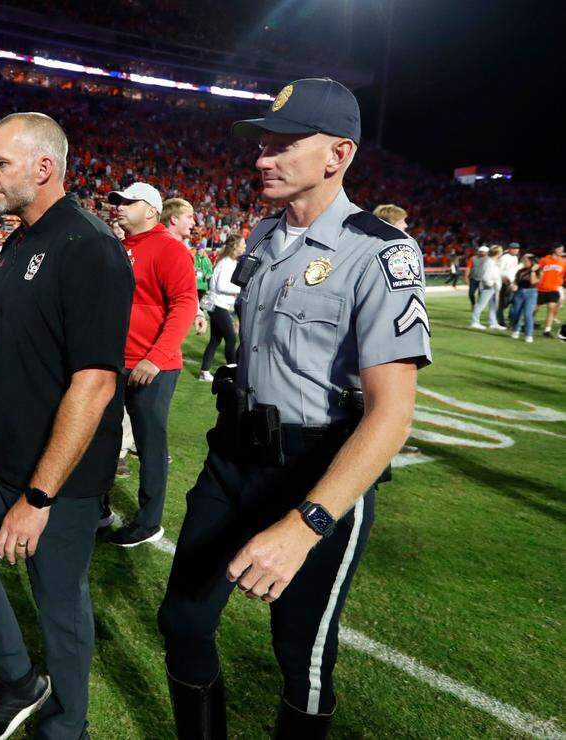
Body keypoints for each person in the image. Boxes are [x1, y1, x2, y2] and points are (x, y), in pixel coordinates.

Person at [160, 78, 431, 739]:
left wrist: (307, 522)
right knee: (184, 620)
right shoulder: (260, 235)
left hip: (315, 472)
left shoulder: (381, 251)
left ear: (337, 155)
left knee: (301, 656)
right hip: (234, 459)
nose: (262, 158)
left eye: (283, 145)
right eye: (261, 145)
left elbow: (392, 415)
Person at [0, 112, 132, 740]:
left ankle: (66, 725)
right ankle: (23, 681)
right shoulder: (20, 239)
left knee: (59, 604)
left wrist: (39, 496)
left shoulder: (90, 247)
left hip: (58, 478)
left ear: (43, 168)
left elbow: (95, 381)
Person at [105, 181, 198, 547]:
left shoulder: (170, 250)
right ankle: (99, 510)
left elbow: (185, 305)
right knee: (104, 441)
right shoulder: (117, 248)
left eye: (128, 202)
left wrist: (156, 358)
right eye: (117, 202)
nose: (119, 206)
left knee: (149, 445)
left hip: (151, 368)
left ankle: (148, 522)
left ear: (151, 210)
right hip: (114, 362)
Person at [198, 234, 245, 382]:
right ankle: (232, 372)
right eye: (243, 244)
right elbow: (221, 286)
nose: (245, 246)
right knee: (231, 338)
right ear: (235, 246)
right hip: (216, 304)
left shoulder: (230, 262)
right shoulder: (226, 263)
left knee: (215, 340)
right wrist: (241, 288)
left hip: (217, 304)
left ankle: (204, 372)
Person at [470, 245, 504, 330]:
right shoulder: (489, 262)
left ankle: (493, 323)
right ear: (498, 253)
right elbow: (486, 276)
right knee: (481, 305)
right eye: (501, 251)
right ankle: (474, 322)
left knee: (493, 306)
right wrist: (491, 284)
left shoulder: (494, 261)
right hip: (488, 287)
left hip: (493, 287)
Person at [509, 253, 540, 343]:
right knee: (515, 313)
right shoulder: (521, 271)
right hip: (519, 293)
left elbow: (533, 281)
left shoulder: (538, 271)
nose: (524, 262)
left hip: (531, 293)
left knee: (527, 314)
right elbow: (516, 281)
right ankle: (516, 330)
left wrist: (532, 271)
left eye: (526, 261)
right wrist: (514, 285)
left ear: (531, 262)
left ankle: (528, 334)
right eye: (523, 261)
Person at [536, 245, 565, 337]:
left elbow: (563, 276)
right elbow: (536, 270)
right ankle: (528, 324)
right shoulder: (544, 260)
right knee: (534, 309)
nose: (561, 251)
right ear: (554, 249)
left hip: (553, 289)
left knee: (551, 309)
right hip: (540, 288)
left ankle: (547, 330)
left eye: (562, 249)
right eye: (559, 249)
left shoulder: (563, 262)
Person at [497, 242, 520, 327]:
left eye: (517, 248)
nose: (516, 250)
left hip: (513, 283)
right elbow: (499, 270)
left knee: (512, 302)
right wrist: (504, 279)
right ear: (509, 249)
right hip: (505, 283)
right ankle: (500, 320)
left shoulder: (515, 258)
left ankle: (511, 319)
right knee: (503, 303)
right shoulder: (504, 258)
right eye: (514, 248)